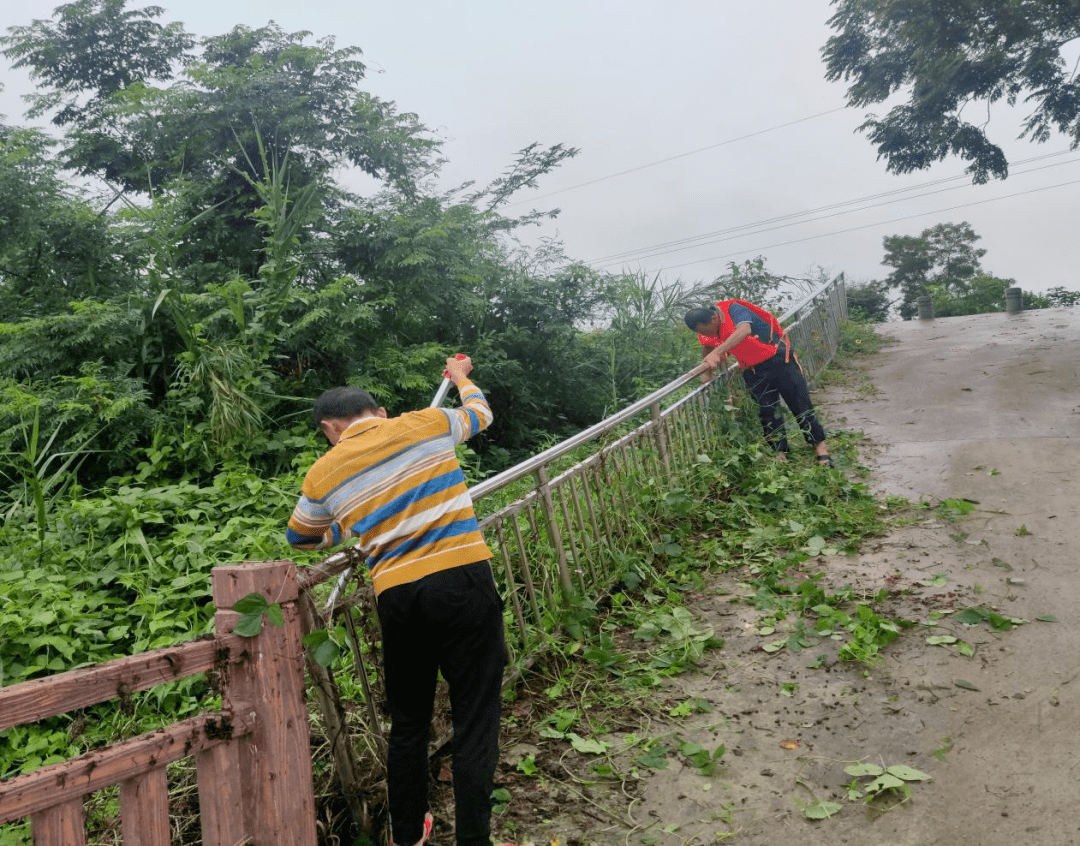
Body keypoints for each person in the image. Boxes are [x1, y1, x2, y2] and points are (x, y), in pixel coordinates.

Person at [286, 355, 506, 846]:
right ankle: (475, 841)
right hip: (462, 580)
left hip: (398, 597)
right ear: (379, 412)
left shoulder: (323, 473)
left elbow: (299, 537)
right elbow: (481, 413)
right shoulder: (426, 423)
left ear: (329, 428)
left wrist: (346, 526)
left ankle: (407, 835)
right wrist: (461, 377)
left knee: (409, 721)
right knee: (475, 716)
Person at [684, 301, 834, 466]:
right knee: (767, 412)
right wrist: (708, 373)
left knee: (800, 404)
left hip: (779, 360)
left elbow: (744, 330)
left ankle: (820, 448)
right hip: (753, 370)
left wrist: (718, 352)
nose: (706, 333)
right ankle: (780, 453)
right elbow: (708, 348)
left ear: (713, 319)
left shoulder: (734, 310)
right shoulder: (709, 329)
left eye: (704, 329)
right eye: (700, 331)